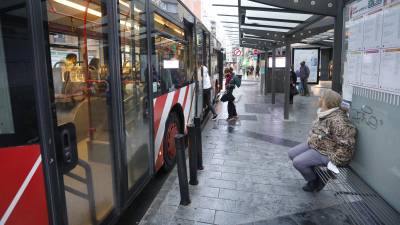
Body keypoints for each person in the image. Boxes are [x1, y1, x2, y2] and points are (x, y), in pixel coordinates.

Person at [288, 90, 357, 192]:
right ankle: (318, 175)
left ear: (327, 102)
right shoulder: (325, 112)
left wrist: (333, 161)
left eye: (321, 98)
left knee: (298, 162)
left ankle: (315, 180)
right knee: (292, 153)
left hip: (328, 152)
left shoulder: (338, 120)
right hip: (318, 144)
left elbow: (347, 145)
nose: (319, 99)